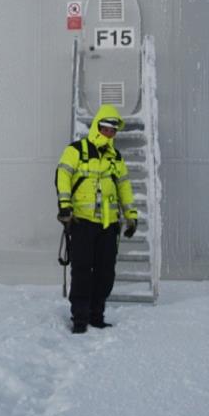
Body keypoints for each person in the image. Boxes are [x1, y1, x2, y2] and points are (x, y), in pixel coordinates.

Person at [55, 104, 138, 334]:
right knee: (82, 271)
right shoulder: (76, 150)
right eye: (106, 128)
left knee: (105, 272)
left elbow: (124, 187)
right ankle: (80, 318)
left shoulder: (116, 158)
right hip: (82, 223)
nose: (109, 133)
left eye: (113, 130)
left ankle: (96, 315)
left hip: (109, 225)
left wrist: (130, 216)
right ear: (97, 127)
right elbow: (63, 175)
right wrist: (64, 206)